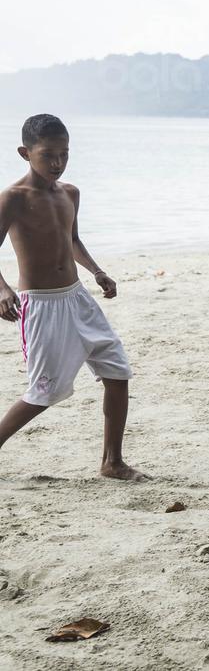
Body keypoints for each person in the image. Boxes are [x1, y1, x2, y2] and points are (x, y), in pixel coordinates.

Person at [0, 114, 145, 480]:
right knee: (43, 392)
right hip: (41, 305)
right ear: (24, 152)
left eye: (64, 154)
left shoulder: (70, 193)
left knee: (117, 371)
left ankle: (112, 463)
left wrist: (97, 272)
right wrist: (2, 290)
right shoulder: (12, 199)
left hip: (77, 298)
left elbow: (73, 240)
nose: (57, 163)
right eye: (48, 155)